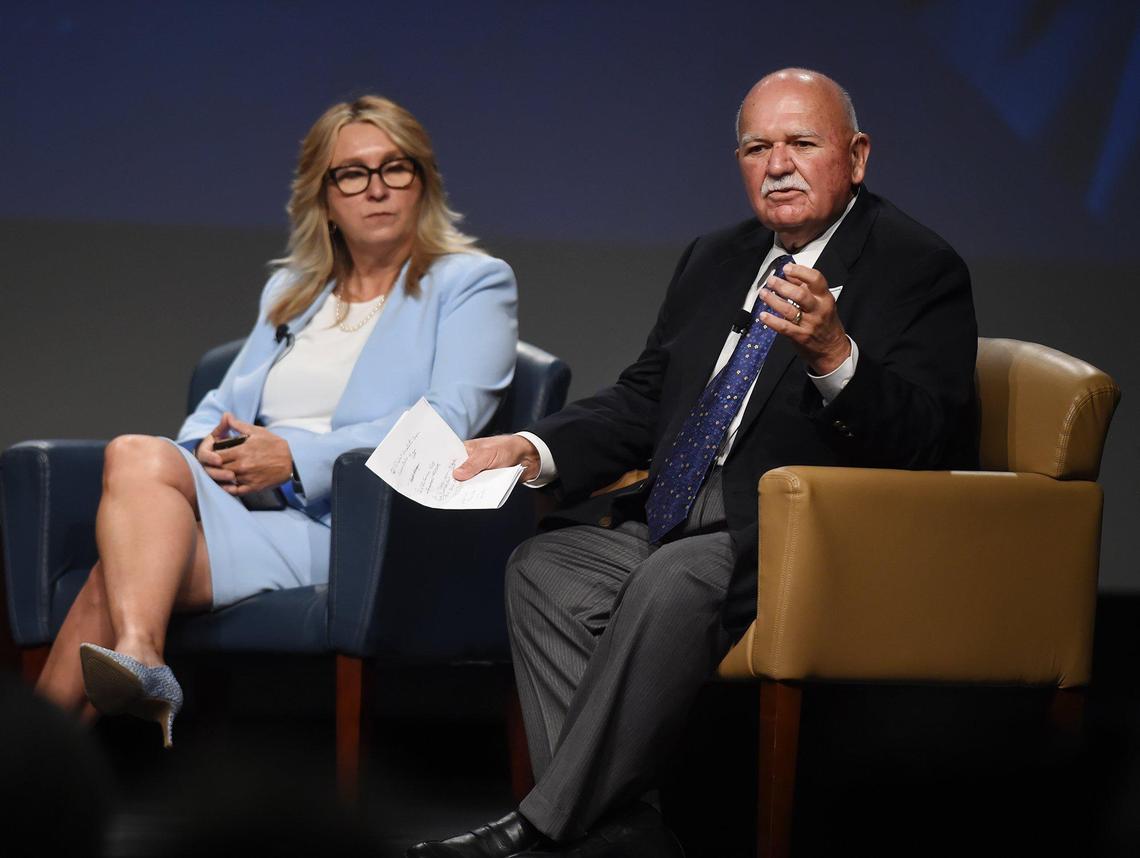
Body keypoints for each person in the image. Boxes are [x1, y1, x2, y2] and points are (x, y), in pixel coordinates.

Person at [408, 68, 978, 857]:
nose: (777, 164)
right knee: (547, 570)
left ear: (857, 155)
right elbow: (647, 396)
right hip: (678, 516)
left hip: (804, 538)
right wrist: (531, 446)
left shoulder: (918, 267)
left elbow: (928, 439)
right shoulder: (716, 257)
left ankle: (541, 827)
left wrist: (835, 355)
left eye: (801, 143)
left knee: (671, 579)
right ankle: (624, 836)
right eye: (757, 146)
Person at [34, 95, 519, 747]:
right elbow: (223, 407)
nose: (376, 189)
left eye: (395, 168)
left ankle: (42, 757)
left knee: (112, 570)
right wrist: (210, 451)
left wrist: (293, 457)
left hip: (356, 525)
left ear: (422, 183)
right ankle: (134, 663)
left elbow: (448, 421)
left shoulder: (471, 282)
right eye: (352, 173)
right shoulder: (294, 289)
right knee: (138, 464)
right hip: (252, 506)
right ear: (324, 197)